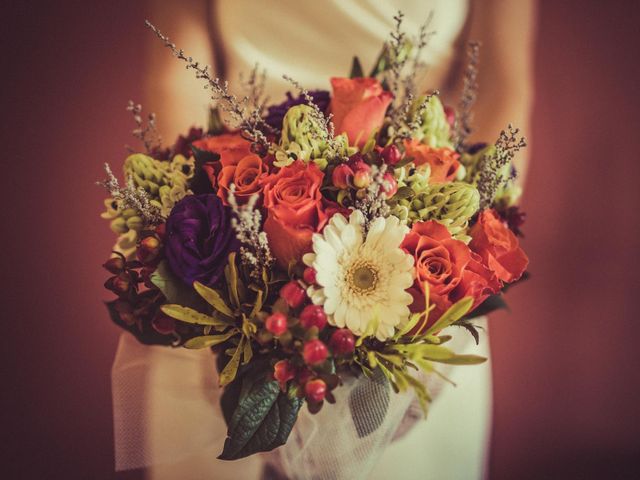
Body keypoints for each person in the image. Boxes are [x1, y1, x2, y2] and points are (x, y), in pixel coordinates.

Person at [112, 1, 535, 478]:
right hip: (230, 230)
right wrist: (210, 283)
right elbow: (177, 75)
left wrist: (448, 277)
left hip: (417, 261)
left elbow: (501, 84)